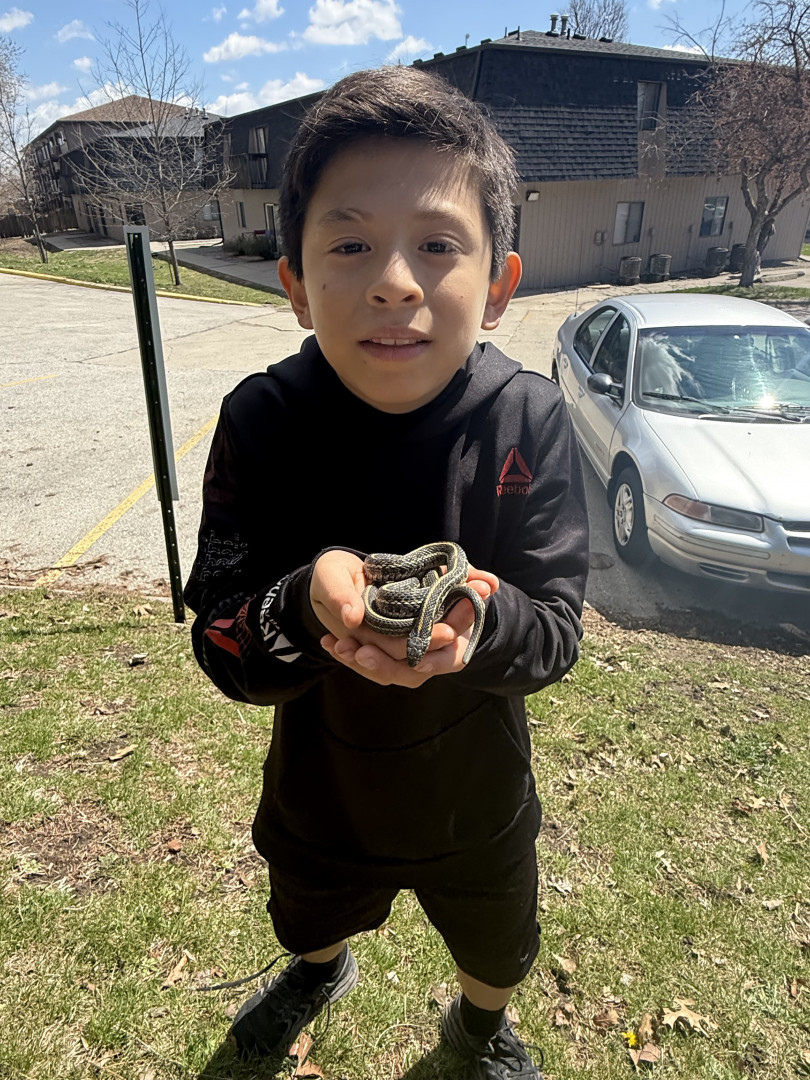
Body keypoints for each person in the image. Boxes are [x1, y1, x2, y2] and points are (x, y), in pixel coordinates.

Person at [184, 65, 589, 1080]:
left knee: (497, 942)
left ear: (498, 285)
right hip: (323, 793)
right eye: (351, 243)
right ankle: (318, 973)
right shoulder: (260, 422)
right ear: (295, 283)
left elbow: (558, 629)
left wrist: (480, 623)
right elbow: (222, 639)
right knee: (308, 916)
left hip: (477, 794)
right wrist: (298, 605)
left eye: (439, 245)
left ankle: (480, 1029)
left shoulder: (531, 417)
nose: (395, 280)